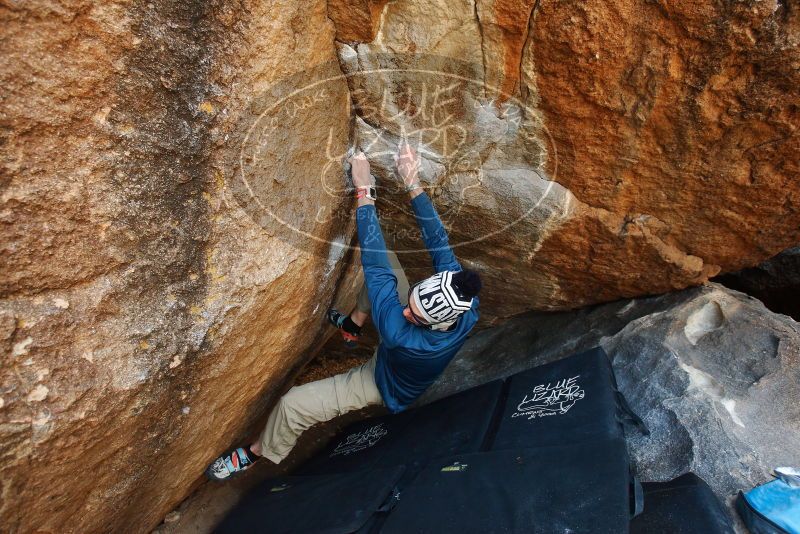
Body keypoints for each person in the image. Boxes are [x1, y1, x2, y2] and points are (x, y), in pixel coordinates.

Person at [205, 143, 482, 480]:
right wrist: (411, 179)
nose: (406, 312)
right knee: (392, 269)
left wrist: (363, 188)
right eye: (411, 306)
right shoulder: (464, 302)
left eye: (415, 316)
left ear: (428, 322)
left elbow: (374, 262)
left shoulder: (399, 331)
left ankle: (257, 451)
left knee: (293, 404)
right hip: (411, 351)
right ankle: (353, 324)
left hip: (384, 381)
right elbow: (437, 238)